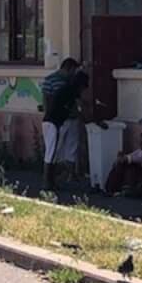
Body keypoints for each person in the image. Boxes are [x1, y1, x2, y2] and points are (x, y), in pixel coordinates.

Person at [38, 56, 87, 194]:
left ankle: (53, 181)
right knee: (52, 153)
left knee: (56, 152)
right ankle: (47, 182)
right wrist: (88, 119)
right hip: (55, 123)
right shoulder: (69, 89)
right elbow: (75, 109)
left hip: (53, 120)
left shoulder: (65, 86)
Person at [105, 131, 142, 196]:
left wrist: (125, 159)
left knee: (132, 166)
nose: (140, 144)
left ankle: (125, 189)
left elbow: (140, 159)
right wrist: (119, 159)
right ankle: (110, 189)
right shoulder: (140, 151)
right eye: (140, 142)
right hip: (139, 176)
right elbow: (129, 156)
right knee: (120, 165)